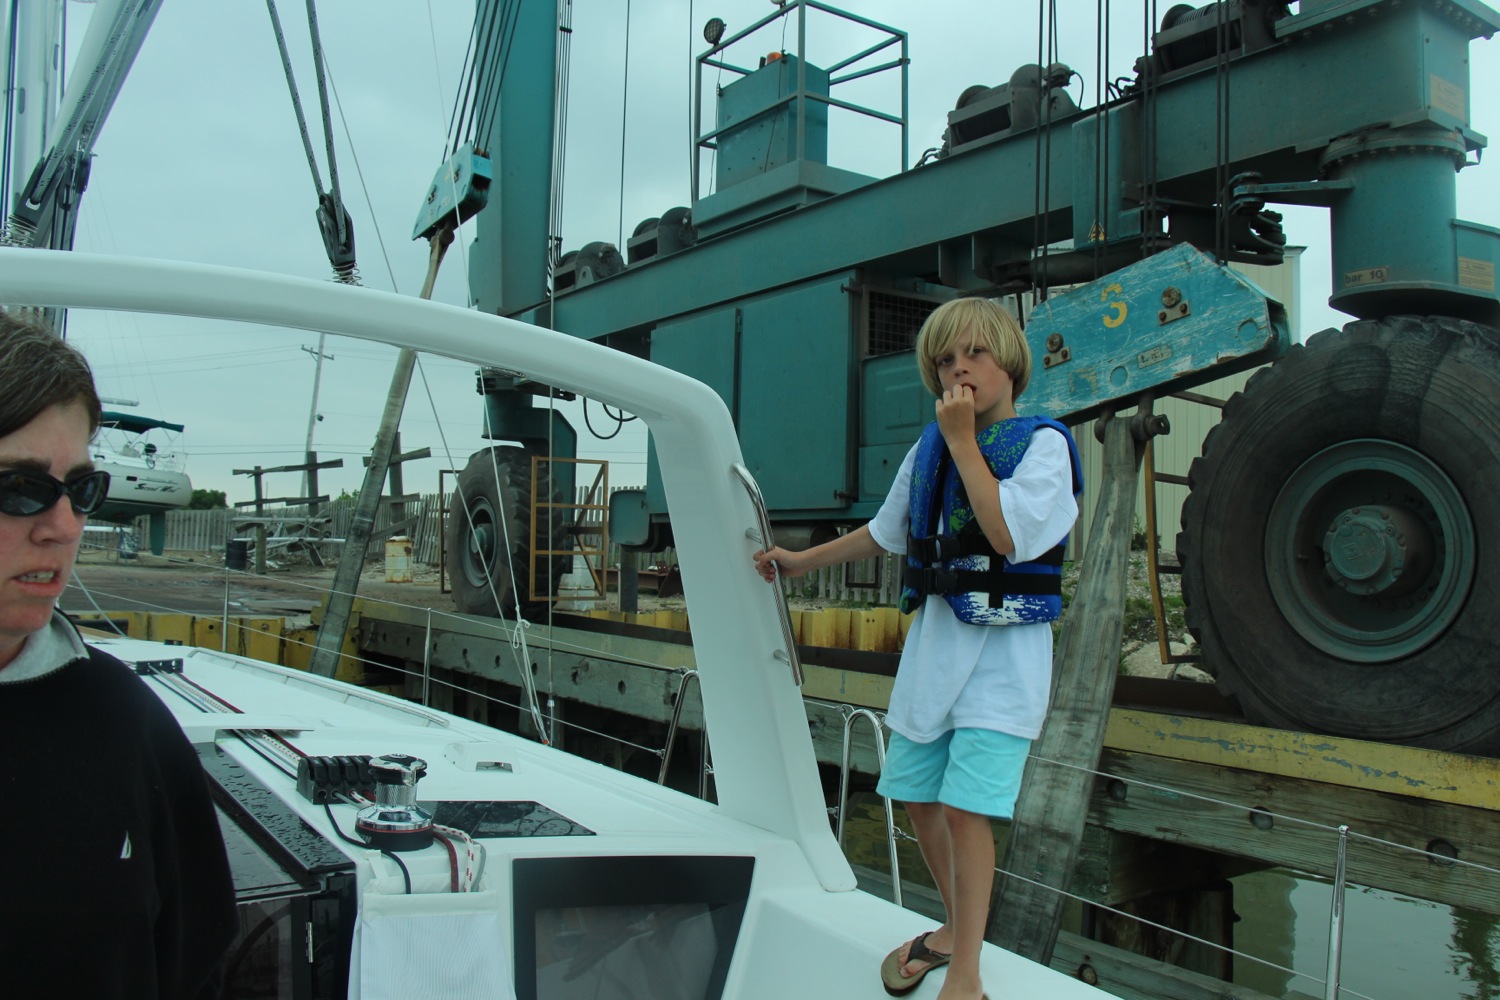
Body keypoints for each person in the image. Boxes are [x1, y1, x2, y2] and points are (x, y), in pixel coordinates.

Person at [754, 297, 1080, 1000]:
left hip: (1004, 662)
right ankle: (956, 927)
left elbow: (1008, 536)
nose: (959, 369)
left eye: (975, 354)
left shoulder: (1044, 446)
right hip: (935, 654)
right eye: (945, 359)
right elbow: (885, 532)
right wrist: (799, 562)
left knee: (967, 809)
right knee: (916, 796)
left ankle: (967, 972)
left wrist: (963, 443)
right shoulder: (928, 447)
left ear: (1009, 361)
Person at [0, 312, 238, 998]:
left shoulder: (127, 725)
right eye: (21, 488)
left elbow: (193, 966)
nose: (65, 526)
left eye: (82, 490)